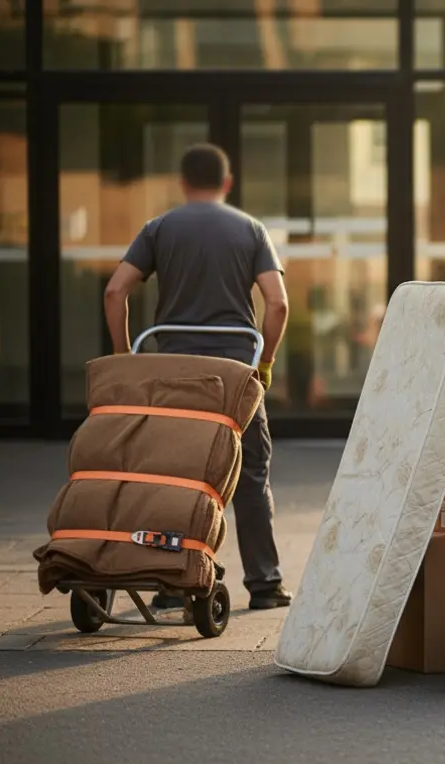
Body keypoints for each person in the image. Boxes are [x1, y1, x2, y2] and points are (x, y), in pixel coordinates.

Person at [103, 143, 293, 611]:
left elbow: (114, 290)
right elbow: (279, 303)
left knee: (176, 476)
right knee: (249, 475)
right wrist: (264, 362)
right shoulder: (250, 230)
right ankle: (264, 586)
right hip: (234, 372)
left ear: (183, 183)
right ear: (227, 184)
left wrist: (124, 356)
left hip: (176, 375)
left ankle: (172, 580)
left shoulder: (160, 228)